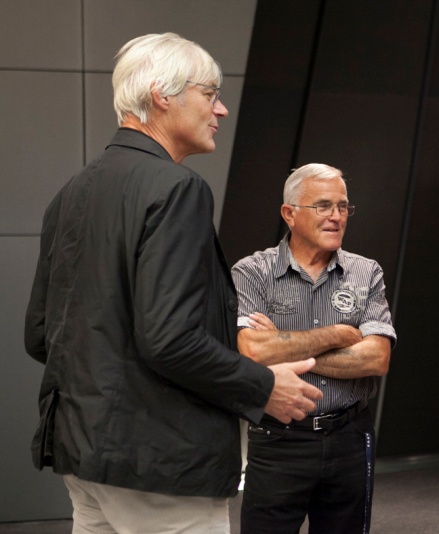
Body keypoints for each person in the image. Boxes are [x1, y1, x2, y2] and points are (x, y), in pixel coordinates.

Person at [23, 33, 322, 533]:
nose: (221, 109)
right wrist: (263, 386)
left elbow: (40, 335)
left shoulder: (71, 193)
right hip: (158, 467)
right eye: (210, 94)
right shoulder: (178, 188)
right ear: (162, 94)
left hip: (81, 455)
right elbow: (169, 339)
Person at [232, 163, 397, 534]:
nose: (336, 216)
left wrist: (284, 343)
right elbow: (254, 351)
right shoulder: (253, 272)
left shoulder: (366, 272)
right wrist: (338, 333)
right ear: (289, 213)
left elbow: (377, 358)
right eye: (323, 206)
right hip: (277, 440)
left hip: (349, 438)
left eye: (343, 206)